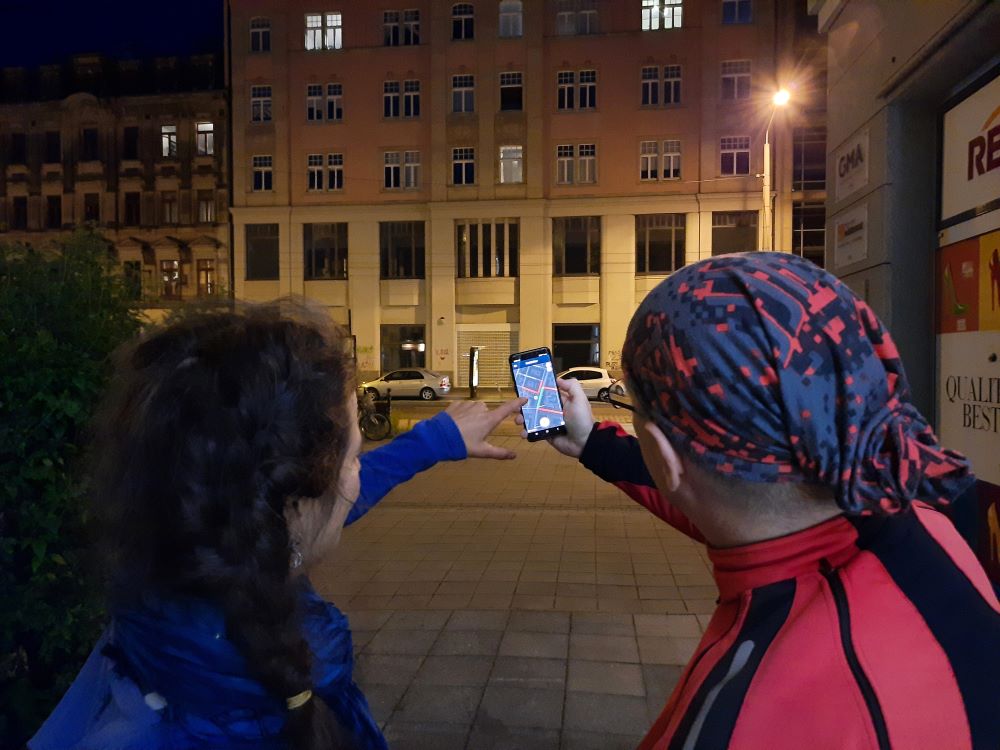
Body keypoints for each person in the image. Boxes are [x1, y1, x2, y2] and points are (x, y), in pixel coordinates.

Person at [537, 253, 1000, 749]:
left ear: (668, 458)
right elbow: (728, 502)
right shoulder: (918, 512)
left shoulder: (747, 723)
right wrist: (593, 443)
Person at [30, 305, 524, 750]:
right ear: (287, 504)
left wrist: (432, 440)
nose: (357, 475)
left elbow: (313, 504)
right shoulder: (257, 709)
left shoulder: (167, 600)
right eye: (353, 458)